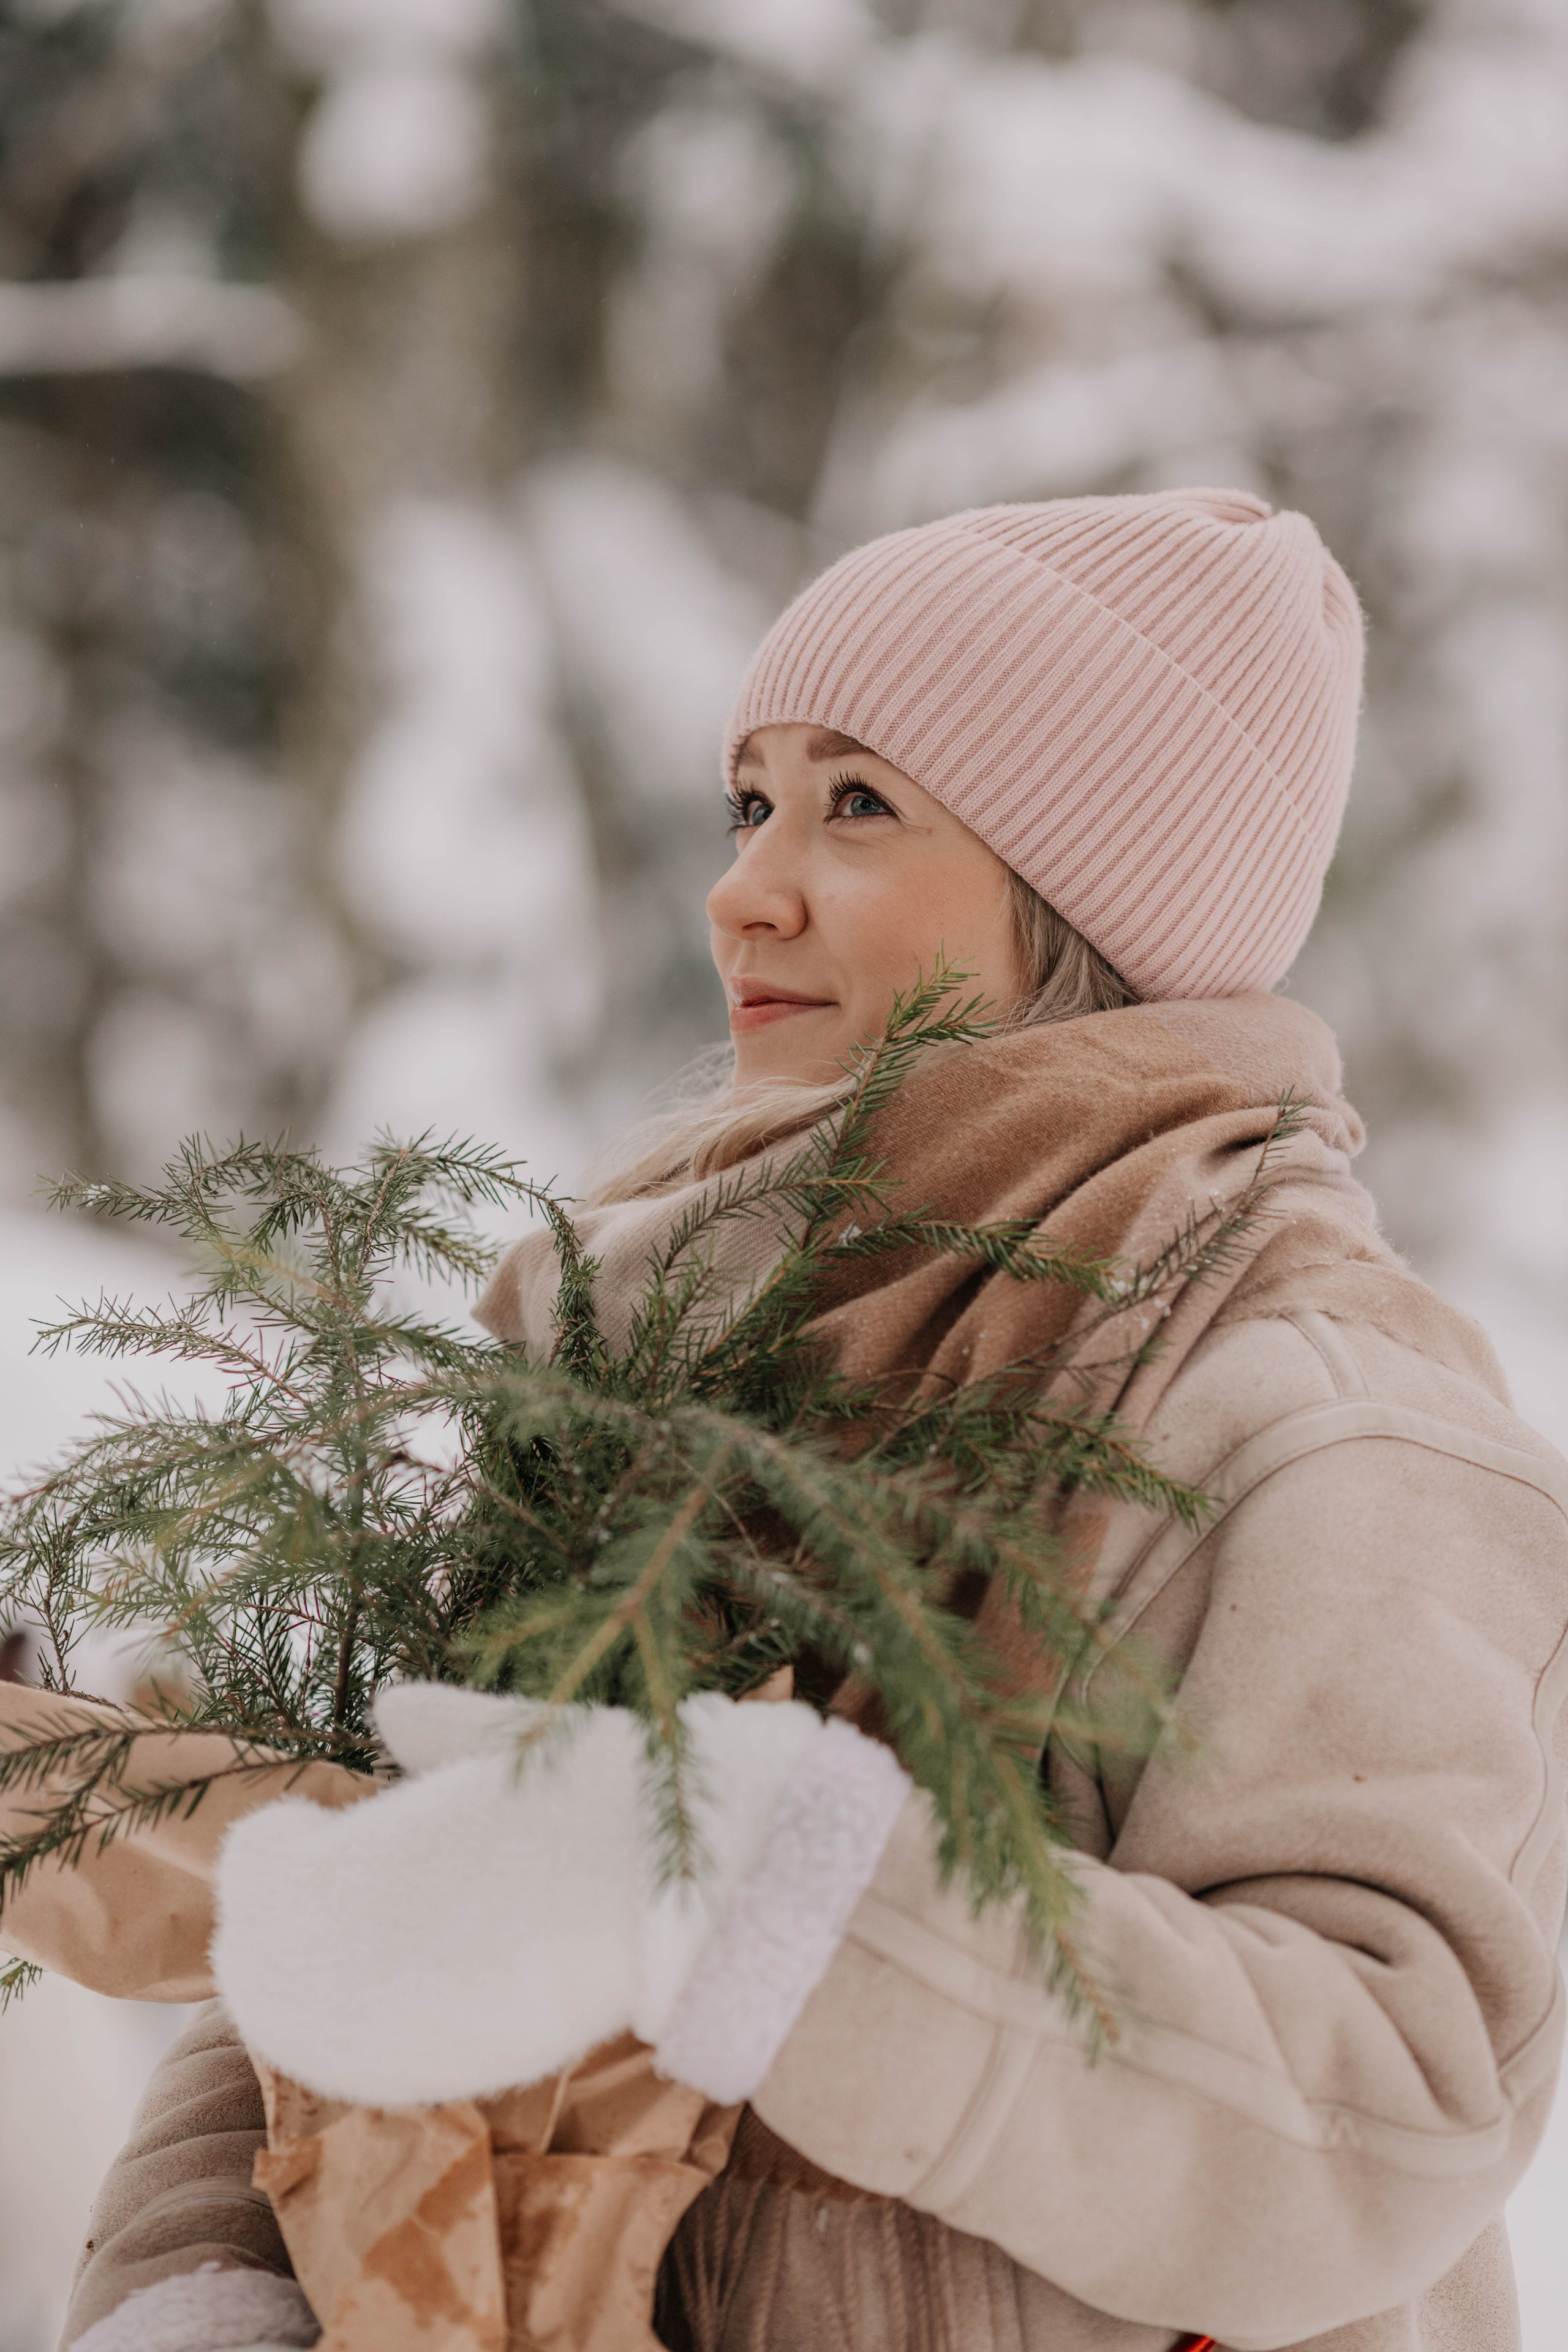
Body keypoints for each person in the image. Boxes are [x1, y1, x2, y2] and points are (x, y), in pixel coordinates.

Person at [59, 492, 1568, 2352]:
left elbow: (1377, 2108)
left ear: (1085, 886)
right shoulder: (659, 1352)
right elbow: (396, 1887)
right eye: (750, 801)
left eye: (858, 804)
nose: (744, 885)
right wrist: (205, 2289)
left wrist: (748, 1897)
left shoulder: (1317, 1408)